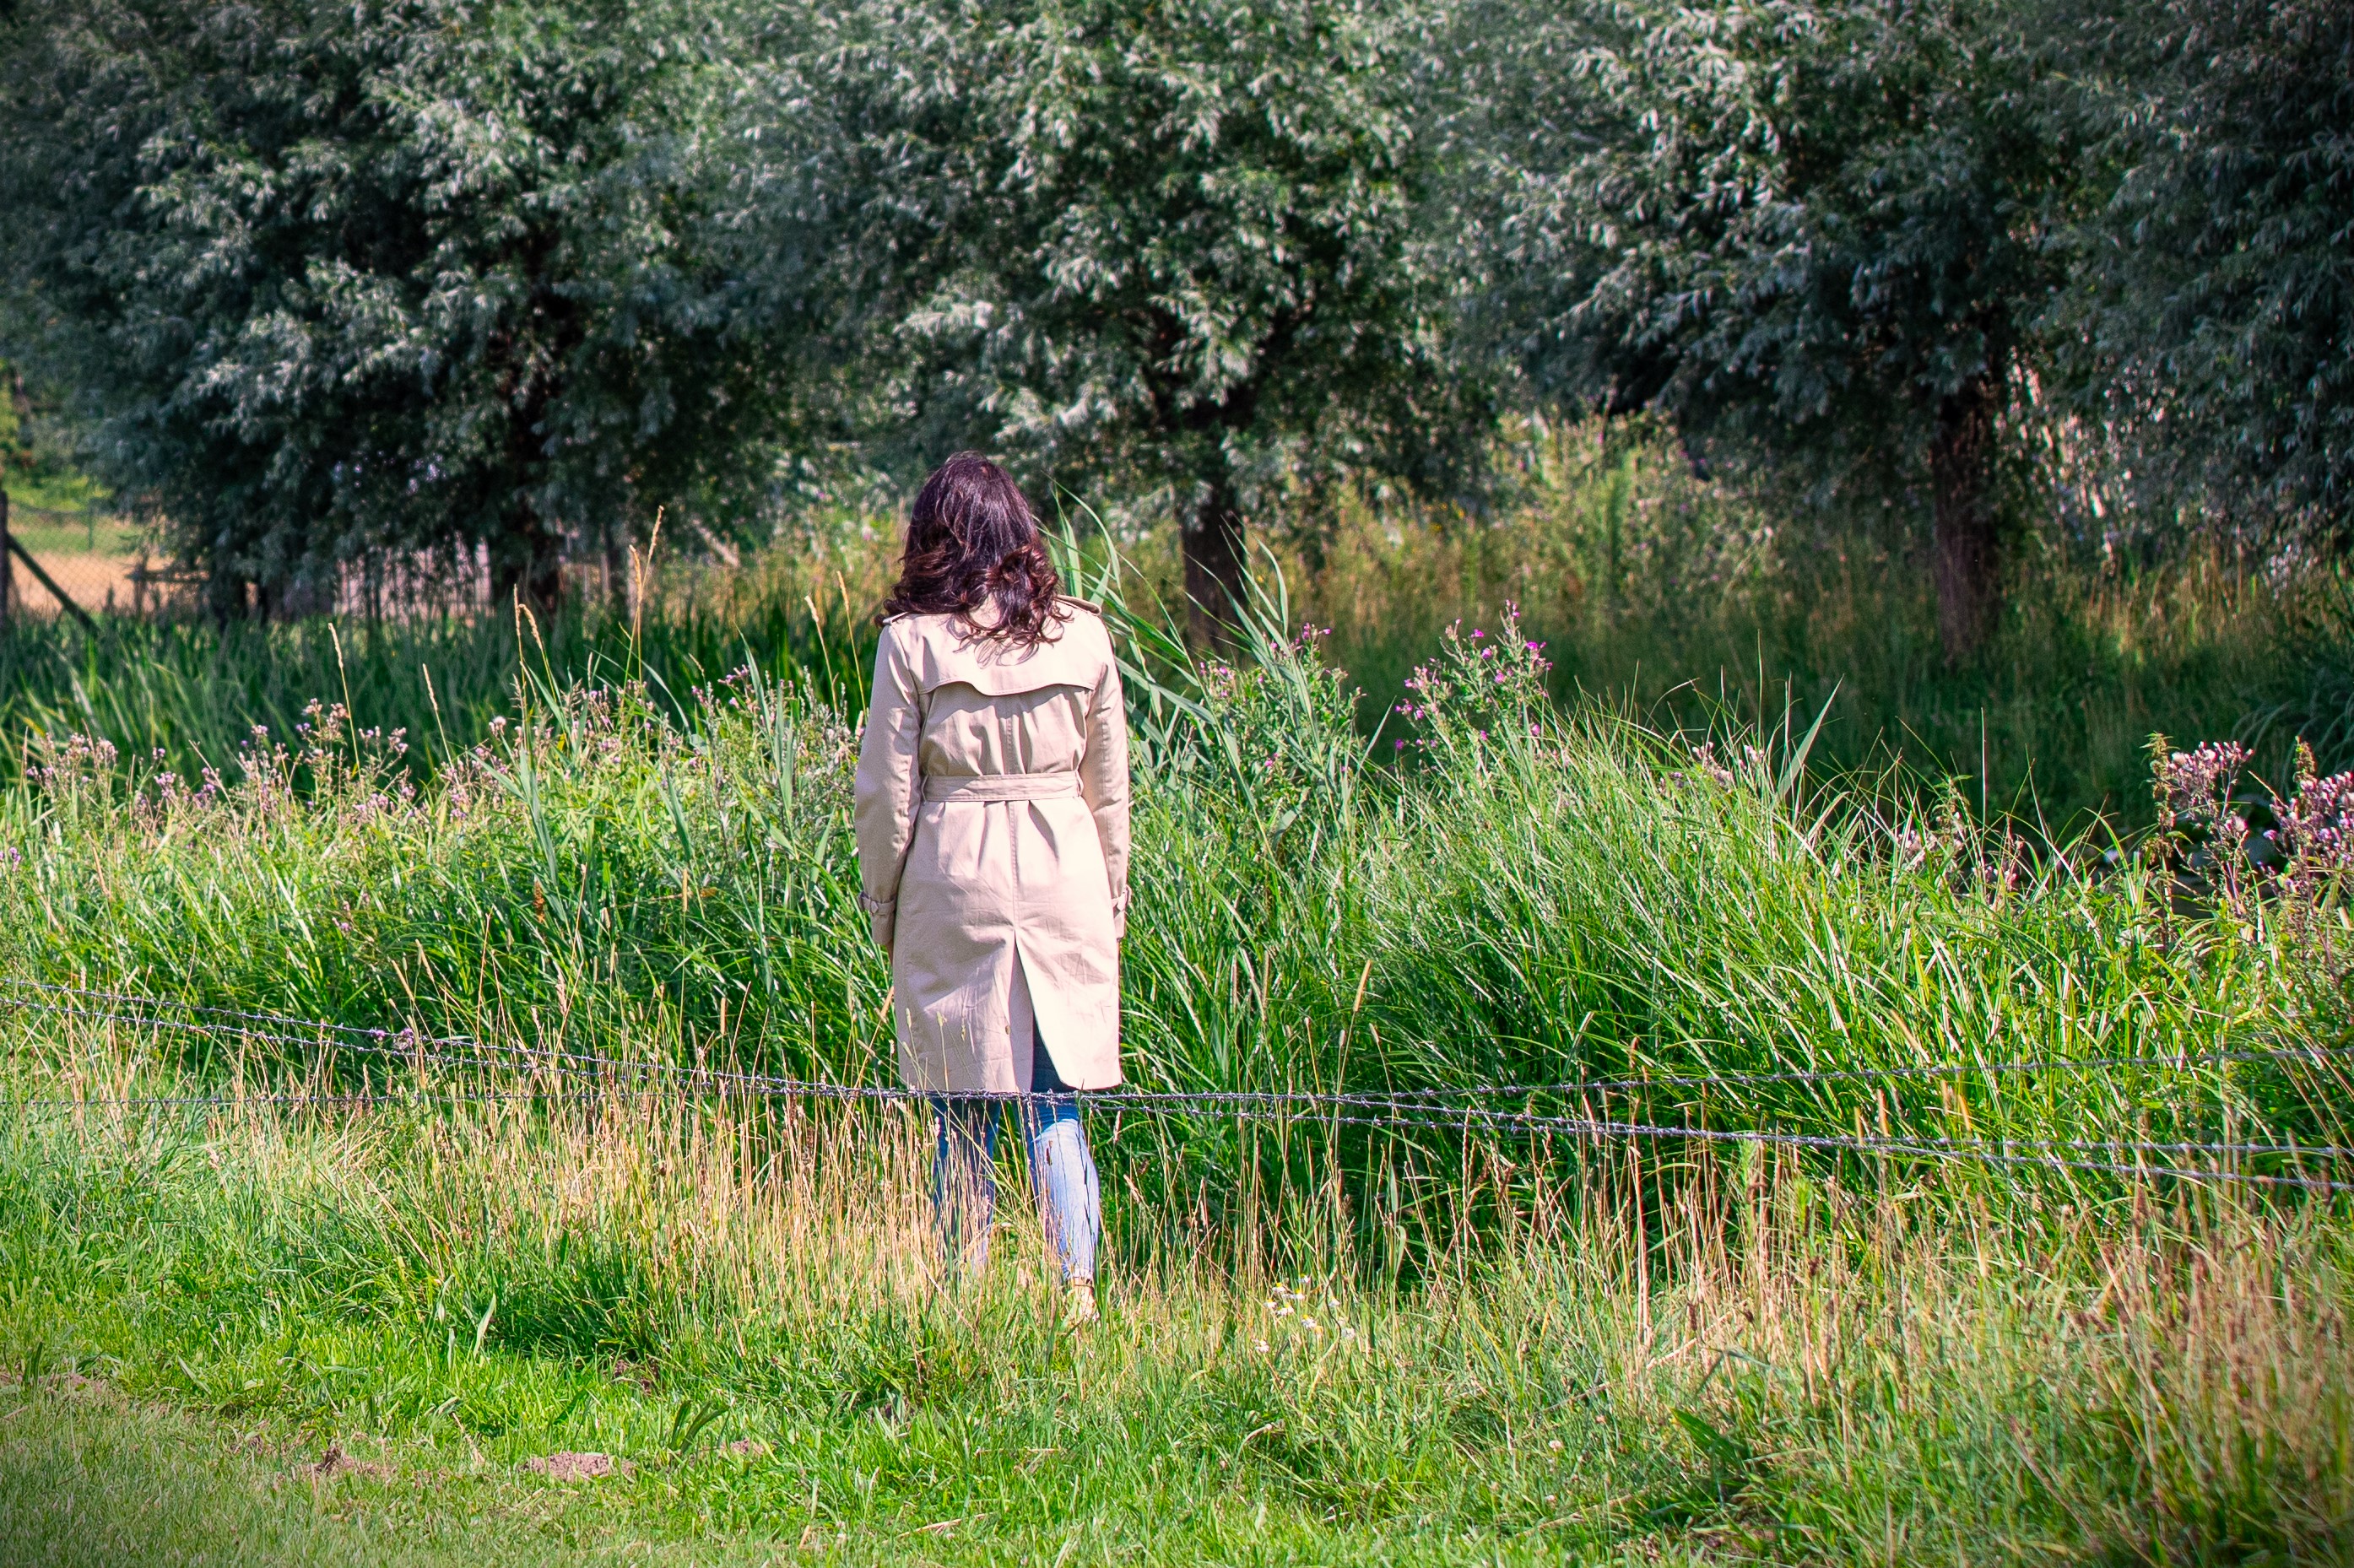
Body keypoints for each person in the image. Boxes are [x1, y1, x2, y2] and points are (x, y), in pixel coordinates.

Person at [852, 452, 1129, 1325]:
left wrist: (884, 908)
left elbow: (884, 797)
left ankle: (960, 1297)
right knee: (1055, 1099)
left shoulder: (911, 643)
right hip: (1064, 869)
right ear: (1020, 530)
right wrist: (1110, 903)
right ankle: (1076, 1292)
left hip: (954, 874)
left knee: (962, 1107)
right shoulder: (1084, 635)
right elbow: (1110, 791)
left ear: (931, 536)